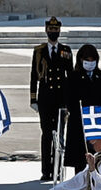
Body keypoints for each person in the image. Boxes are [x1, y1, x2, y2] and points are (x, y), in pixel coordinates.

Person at [30, 17, 73, 181]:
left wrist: (70, 101)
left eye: (56, 30)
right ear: (46, 30)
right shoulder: (39, 51)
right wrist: (33, 98)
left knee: (60, 135)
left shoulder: (66, 50)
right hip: (45, 99)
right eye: (51, 30)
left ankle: (58, 168)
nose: (53, 32)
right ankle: (46, 170)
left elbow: (70, 77)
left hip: (61, 99)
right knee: (46, 134)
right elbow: (34, 75)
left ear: (59, 31)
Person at [65, 44, 101, 172]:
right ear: (81, 60)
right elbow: (69, 100)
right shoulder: (73, 77)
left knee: (100, 160)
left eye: (93, 60)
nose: (90, 63)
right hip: (79, 123)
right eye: (87, 60)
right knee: (80, 161)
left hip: (99, 122)